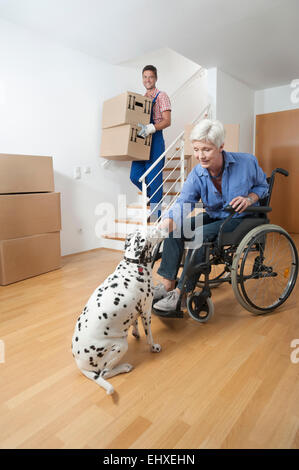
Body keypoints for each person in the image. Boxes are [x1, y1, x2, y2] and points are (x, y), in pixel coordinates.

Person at [153, 118, 269, 314]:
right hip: (216, 215)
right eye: (196, 149)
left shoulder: (247, 162)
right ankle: (168, 285)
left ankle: (181, 294)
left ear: (221, 146)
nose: (200, 156)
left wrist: (249, 199)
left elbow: (262, 186)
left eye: (206, 149)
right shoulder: (198, 173)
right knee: (175, 231)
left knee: (200, 235)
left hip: (243, 218)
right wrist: (167, 223)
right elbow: (184, 202)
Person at [130, 65, 171, 219]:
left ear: (156, 78)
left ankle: (156, 214)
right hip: (141, 140)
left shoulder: (162, 96)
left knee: (154, 177)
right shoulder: (141, 99)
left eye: (151, 77)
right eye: (145, 77)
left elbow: (167, 121)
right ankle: (155, 196)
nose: (148, 80)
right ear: (142, 79)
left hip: (155, 139)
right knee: (135, 176)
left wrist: (152, 128)